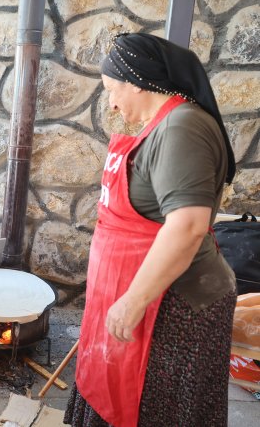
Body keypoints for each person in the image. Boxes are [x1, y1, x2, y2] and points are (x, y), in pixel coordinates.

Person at [64, 33, 238, 426]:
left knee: (156, 410)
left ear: (137, 80)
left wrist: (132, 301)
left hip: (176, 305)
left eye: (112, 90)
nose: (110, 103)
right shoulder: (164, 124)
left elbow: (188, 226)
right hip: (146, 291)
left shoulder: (182, 127)